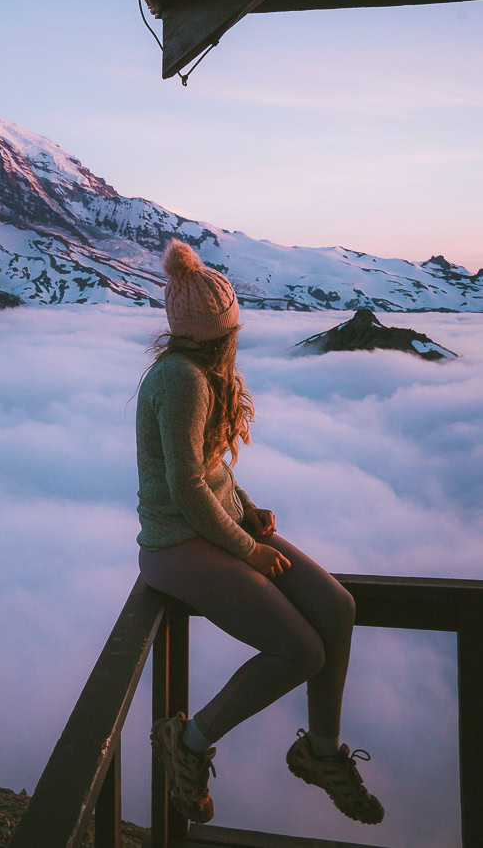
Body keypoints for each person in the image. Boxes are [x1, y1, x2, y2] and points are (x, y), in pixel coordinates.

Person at [137, 239, 384, 827]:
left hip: (216, 527)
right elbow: (186, 489)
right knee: (299, 650)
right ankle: (188, 741)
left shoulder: (197, 372)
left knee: (337, 607)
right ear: (219, 331)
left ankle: (320, 753)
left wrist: (246, 508)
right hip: (176, 544)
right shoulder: (184, 381)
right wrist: (247, 547)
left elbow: (211, 470)